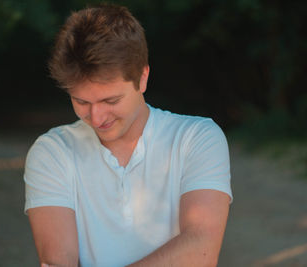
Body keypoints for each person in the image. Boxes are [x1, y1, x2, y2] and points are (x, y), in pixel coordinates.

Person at [24, 3, 232, 267]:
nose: (97, 118)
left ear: (142, 77)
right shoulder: (53, 151)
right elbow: (58, 261)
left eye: (111, 100)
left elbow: (201, 249)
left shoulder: (196, 138)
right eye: (81, 102)